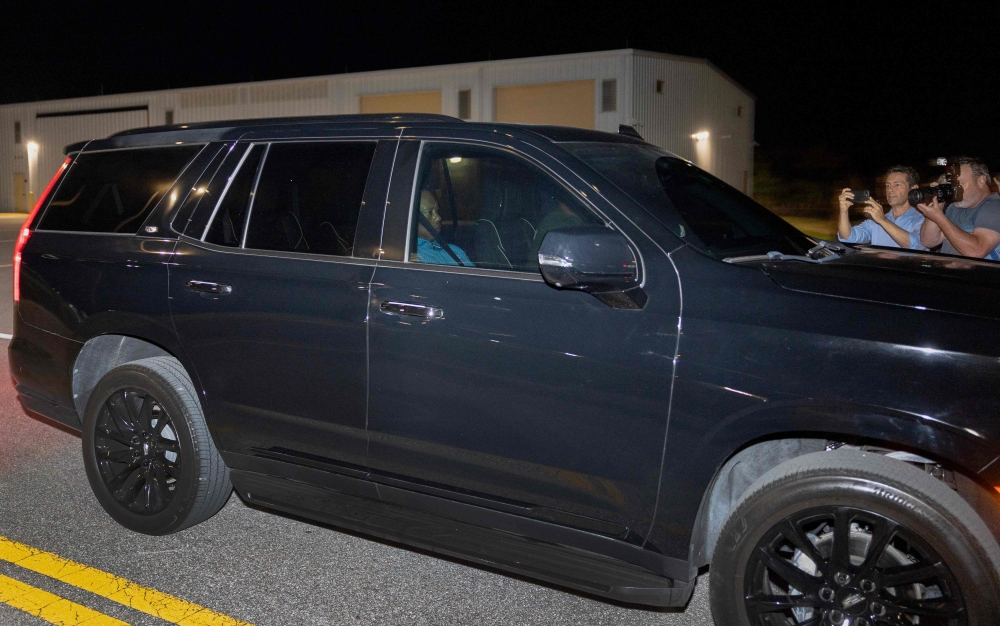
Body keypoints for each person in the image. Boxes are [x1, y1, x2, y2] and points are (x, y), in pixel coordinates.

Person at [917, 156, 1000, 261]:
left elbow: (976, 252)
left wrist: (939, 218)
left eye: (959, 184)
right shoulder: (954, 207)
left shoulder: (994, 206)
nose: (954, 189)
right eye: (952, 184)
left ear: (981, 180)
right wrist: (937, 204)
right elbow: (928, 241)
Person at [837, 166, 925, 249]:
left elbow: (916, 244)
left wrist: (883, 220)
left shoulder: (923, 218)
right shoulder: (876, 220)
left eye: (897, 185)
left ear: (913, 189)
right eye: (888, 185)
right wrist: (843, 211)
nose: (890, 190)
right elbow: (848, 237)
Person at [413, 190, 473, 266]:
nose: (438, 217)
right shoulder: (411, 258)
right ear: (412, 219)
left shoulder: (455, 250)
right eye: (429, 212)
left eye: (437, 210)